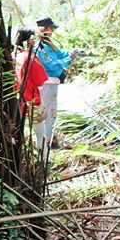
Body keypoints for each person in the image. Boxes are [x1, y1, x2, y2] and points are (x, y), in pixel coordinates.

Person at [34, 16, 83, 150]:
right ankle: (44, 145)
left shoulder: (48, 44)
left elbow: (59, 54)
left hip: (51, 84)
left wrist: (72, 52)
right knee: (46, 114)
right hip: (45, 84)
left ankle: (47, 143)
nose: (52, 31)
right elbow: (52, 65)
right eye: (50, 28)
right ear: (44, 28)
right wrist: (69, 59)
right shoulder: (39, 45)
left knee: (51, 114)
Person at [14, 26, 49, 151]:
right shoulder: (30, 57)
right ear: (29, 40)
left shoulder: (14, 56)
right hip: (32, 100)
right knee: (40, 133)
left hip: (17, 103)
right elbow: (41, 80)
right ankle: (43, 160)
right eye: (33, 39)